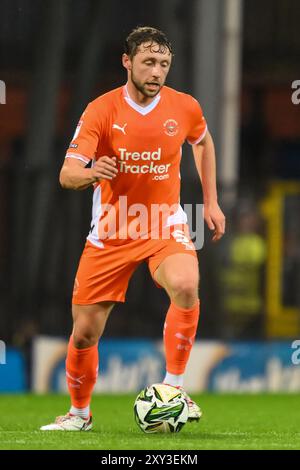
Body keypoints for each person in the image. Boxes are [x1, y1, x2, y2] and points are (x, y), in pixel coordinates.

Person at [41, 26, 225, 431]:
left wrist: (210, 202)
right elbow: (67, 174)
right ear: (127, 62)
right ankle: (79, 415)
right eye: (148, 62)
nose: (157, 71)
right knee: (85, 333)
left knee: (187, 285)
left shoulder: (185, 107)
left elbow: (204, 142)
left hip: (164, 222)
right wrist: (91, 171)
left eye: (163, 63)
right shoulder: (101, 110)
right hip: (112, 229)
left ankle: (174, 388)